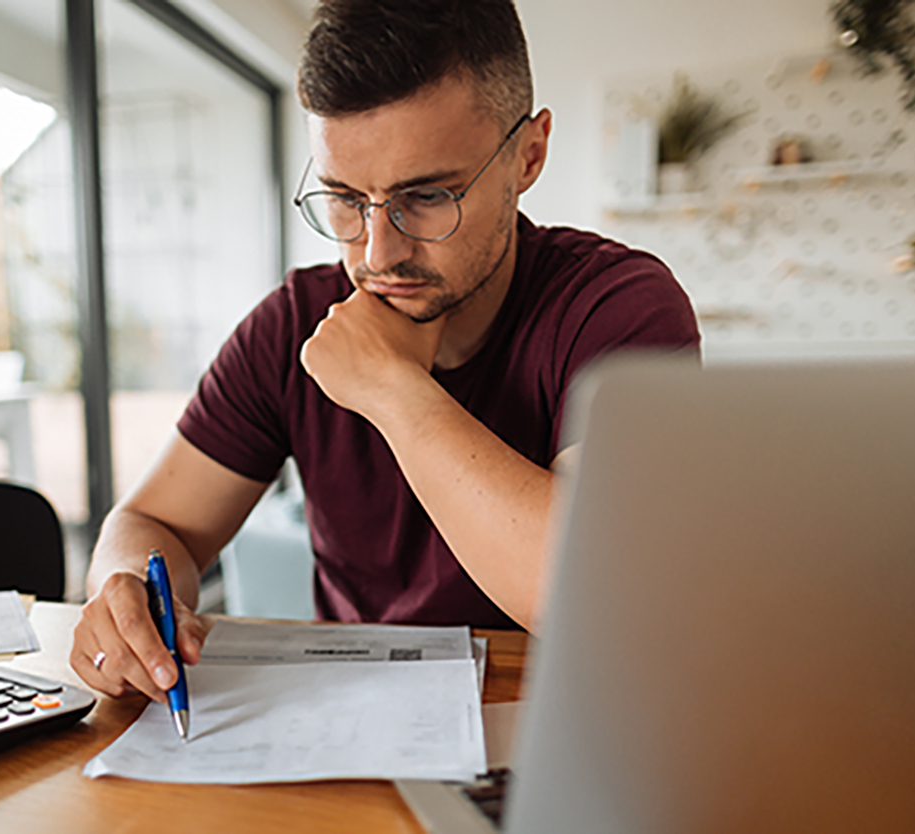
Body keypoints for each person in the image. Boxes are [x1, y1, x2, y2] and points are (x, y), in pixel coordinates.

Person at [71, 0, 699, 703]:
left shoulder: (619, 307)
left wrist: (391, 388)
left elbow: (593, 596)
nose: (377, 253)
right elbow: (152, 523)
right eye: (343, 198)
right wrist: (127, 592)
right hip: (359, 726)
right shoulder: (293, 322)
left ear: (529, 155)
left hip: (561, 722)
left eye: (427, 196)